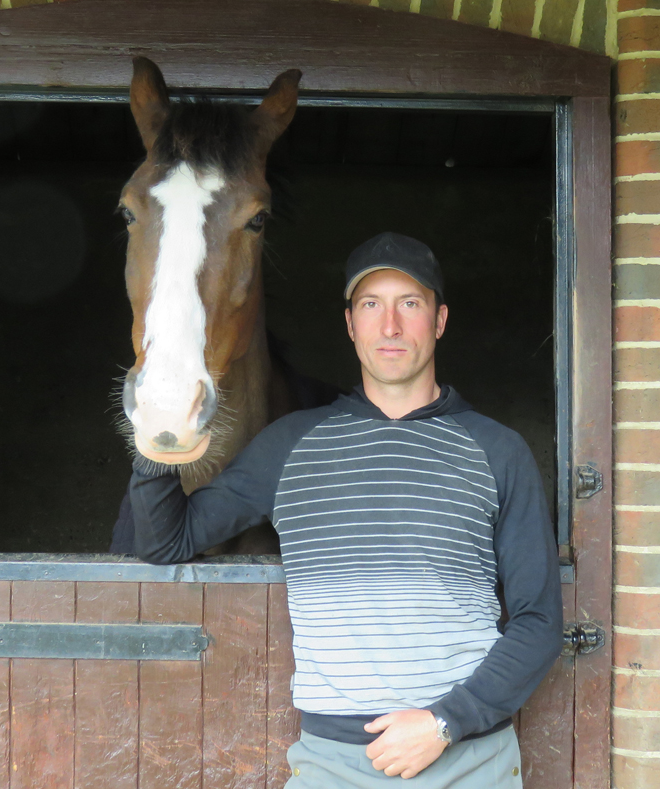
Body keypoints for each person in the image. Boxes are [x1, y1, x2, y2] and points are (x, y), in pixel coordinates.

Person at [127, 232, 564, 787]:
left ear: (440, 320)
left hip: (469, 761)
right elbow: (167, 541)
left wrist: (444, 723)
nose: (390, 326)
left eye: (410, 304)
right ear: (350, 323)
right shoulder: (290, 446)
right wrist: (158, 425)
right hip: (333, 765)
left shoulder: (498, 451)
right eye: (370, 306)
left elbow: (541, 621)